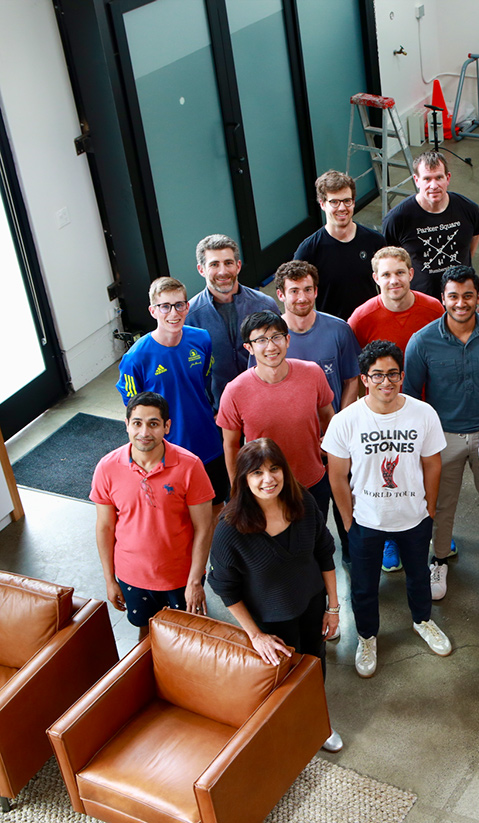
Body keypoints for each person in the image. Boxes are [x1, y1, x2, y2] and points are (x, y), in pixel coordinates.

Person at [324, 340, 452, 679]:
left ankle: (423, 621)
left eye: (393, 374)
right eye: (377, 375)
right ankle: (367, 637)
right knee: (364, 586)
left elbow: (433, 465)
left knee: (418, 576)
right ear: (364, 379)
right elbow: (336, 476)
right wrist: (350, 520)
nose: (386, 382)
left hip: (414, 517)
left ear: (402, 376)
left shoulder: (423, 413)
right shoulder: (346, 420)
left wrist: (429, 510)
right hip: (366, 521)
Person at [206, 438, 344, 753]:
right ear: (243, 480)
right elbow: (224, 587)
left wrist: (333, 607)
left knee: (314, 665)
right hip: (270, 620)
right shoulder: (229, 529)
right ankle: (287, 729)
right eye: (257, 473)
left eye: (274, 469)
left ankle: (316, 722)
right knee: (280, 680)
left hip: (311, 603)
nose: (268, 479)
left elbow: (324, 552)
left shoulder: (304, 503)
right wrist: (255, 635)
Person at [403, 265, 479, 598]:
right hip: (443, 438)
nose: (461, 302)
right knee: (440, 505)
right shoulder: (421, 342)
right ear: (443, 299)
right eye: (453, 296)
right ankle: (438, 560)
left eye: (468, 295)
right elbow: (411, 396)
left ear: (478, 296)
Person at [90, 392, 214, 639]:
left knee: (187, 637)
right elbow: (105, 527)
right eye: (137, 423)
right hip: (132, 575)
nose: (144, 432)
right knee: (145, 635)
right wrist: (109, 579)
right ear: (126, 425)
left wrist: (195, 581)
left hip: (181, 576)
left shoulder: (190, 466)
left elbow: (204, 527)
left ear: (167, 426)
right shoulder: (106, 467)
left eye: (153, 424)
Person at [116, 276, 228, 505]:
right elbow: (135, 414)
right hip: (167, 451)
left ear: (187, 306)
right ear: (152, 311)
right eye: (165, 306)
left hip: (207, 442)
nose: (173, 313)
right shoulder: (135, 358)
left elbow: (206, 383)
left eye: (179, 305)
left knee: (216, 505)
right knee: (178, 512)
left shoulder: (202, 339)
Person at [216, 311, 335, 520]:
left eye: (276, 337)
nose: (271, 347)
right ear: (249, 348)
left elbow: (328, 416)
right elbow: (231, 445)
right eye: (261, 340)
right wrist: (238, 491)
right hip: (265, 488)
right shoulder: (234, 390)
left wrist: (330, 450)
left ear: (287, 340)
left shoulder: (313, 373)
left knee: (316, 545)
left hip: (313, 483)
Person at [186, 234, 278, 405]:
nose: (223, 271)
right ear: (201, 269)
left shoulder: (265, 305)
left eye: (228, 263)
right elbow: (188, 374)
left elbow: (282, 355)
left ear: (238, 266)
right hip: (217, 413)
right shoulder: (189, 316)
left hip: (266, 404)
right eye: (214, 264)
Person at [382, 151, 479, 296]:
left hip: (461, 297)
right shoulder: (397, 218)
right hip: (421, 299)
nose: (434, 185)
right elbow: (388, 259)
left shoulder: (468, 209)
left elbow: (474, 237)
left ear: (447, 178)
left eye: (439, 177)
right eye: (427, 179)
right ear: (416, 180)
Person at [293, 169, 387, 321]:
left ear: (353, 202)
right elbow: (295, 294)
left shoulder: (375, 241)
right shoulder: (309, 250)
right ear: (322, 204)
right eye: (334, 202)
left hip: (371, 324)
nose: (342, 208)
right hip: (333, 329)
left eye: (347, 201)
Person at [273, 261, 361, 412]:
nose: (302, 298)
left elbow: (352, 381)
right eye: (294, 291)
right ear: (281, 295)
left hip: (333, 430)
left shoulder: (339, 330)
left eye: (307, 290)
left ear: (315, 291)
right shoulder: (267, 339)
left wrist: (337, 427)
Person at [348, 246, 445, 352]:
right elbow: (352, 362)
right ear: (376, 278)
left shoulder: (434, 309)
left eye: (400, 273)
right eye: (386, 275)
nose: (394, 281)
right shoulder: (360, 319)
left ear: (410, 274)